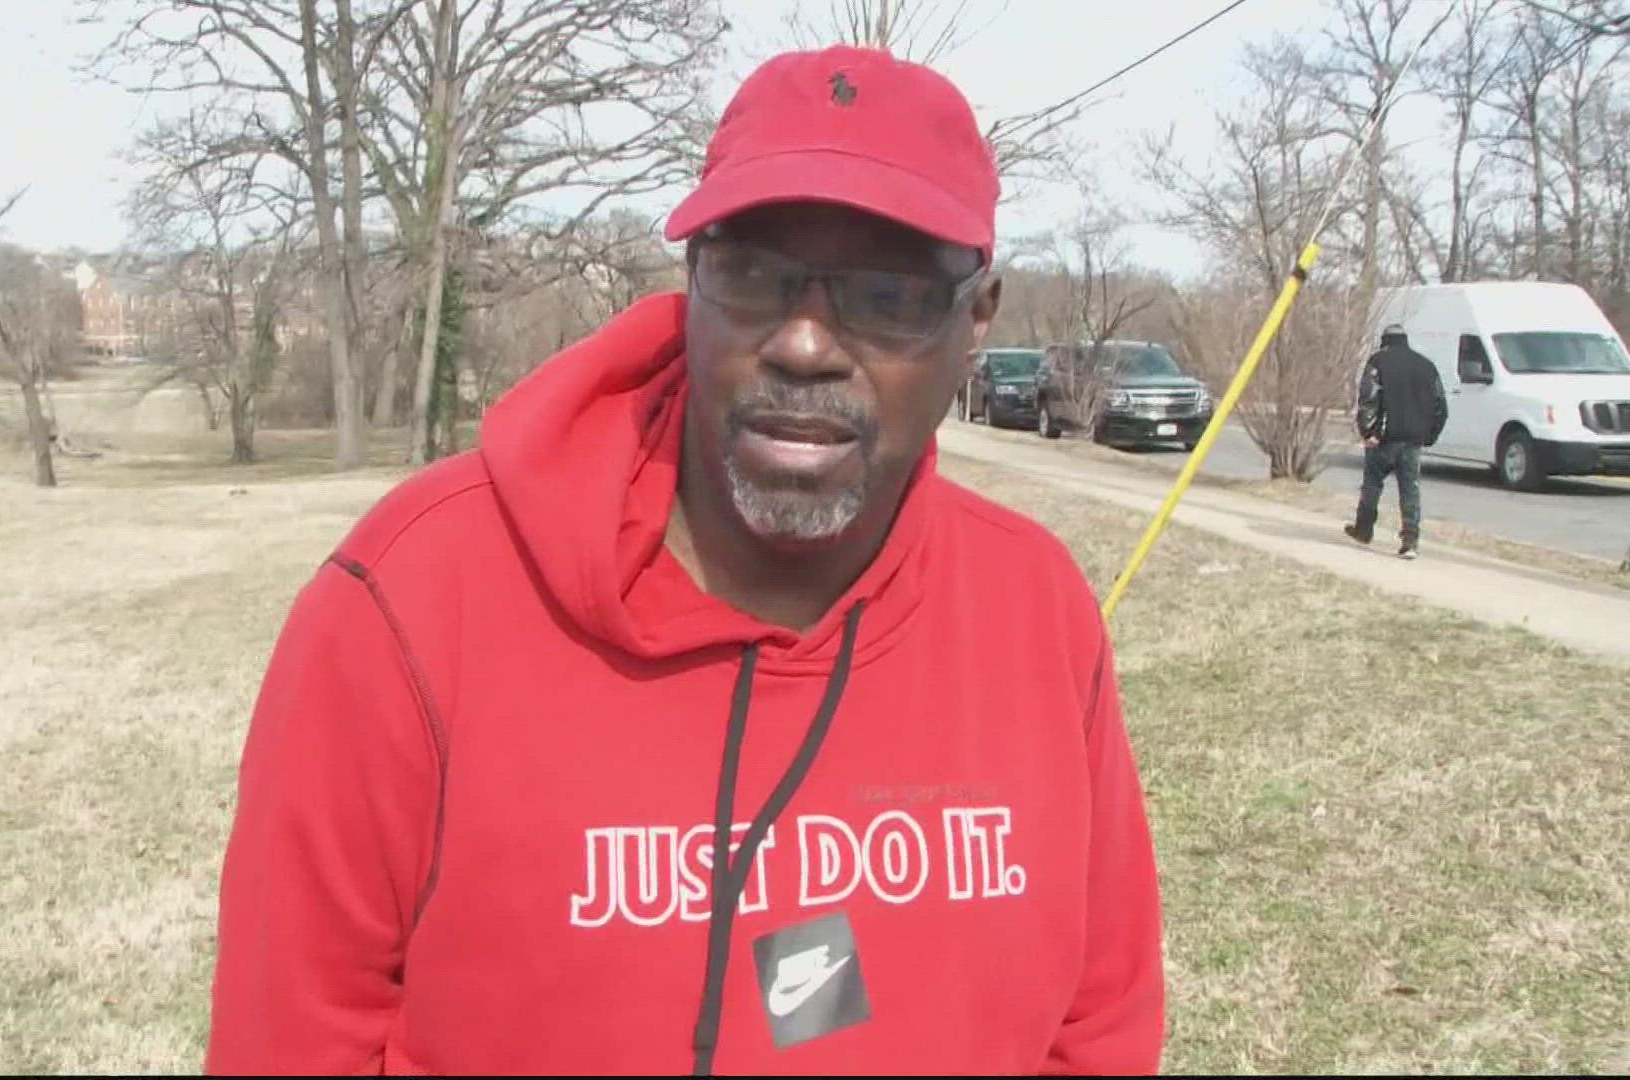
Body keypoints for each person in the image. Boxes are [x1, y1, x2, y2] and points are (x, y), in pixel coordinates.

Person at [203, 44, 1165, 1076]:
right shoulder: (408, 607)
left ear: (978, 320)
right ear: (694, 279)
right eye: (752, 274)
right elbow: (292, 1043)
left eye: (887, 295)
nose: (804, 343)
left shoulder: (1039, 614)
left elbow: (1097, 1031)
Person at [1346, 324, 1448, 559]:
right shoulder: (1426, 366)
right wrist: (1429, 436)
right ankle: (1410, 540)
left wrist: (1367, 431)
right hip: (1413, 440)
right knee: (1410, 489)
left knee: (1372, 484)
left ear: (1385, 340)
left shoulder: (1378, 362)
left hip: (1384, 438)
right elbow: (1440, 407)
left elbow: (1368, 398)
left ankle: (1363, 529)